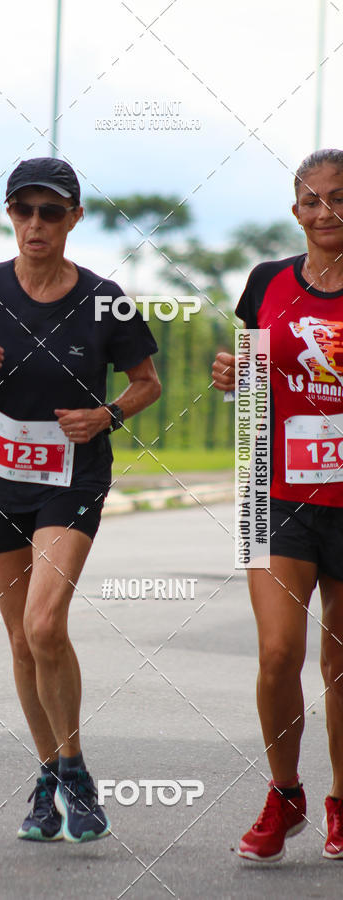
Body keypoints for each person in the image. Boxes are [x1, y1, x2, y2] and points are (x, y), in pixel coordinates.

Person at [0, 157, 160, 843]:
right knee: (21, 641)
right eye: (24, 210)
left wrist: (108, 415)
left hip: (72, 478)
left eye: (50, 212)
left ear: (74, 218)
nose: (35, 224)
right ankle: (49, 776)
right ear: (10, 215)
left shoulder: (105, 298)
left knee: (44, 622)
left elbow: (146, 381)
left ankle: (76, 769)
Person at [212, 148, 343, 862]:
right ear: (295, 211)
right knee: (276, 653)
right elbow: (252, 372)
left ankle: (341, 802)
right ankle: (285, 791)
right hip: (277, 495)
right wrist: (234, 374)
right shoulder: (266, 281)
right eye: (314, 201)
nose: (327, 213)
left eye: (340, 199)